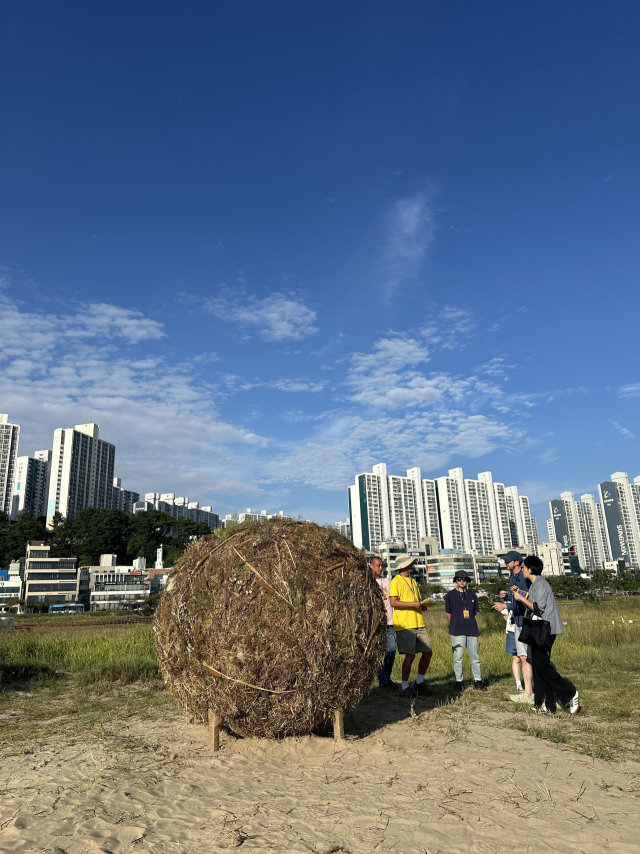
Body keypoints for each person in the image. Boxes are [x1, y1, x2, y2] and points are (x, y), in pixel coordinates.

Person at [511, 555, 579, 714]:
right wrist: (520, 593)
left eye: (524, 567)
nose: (522, 570)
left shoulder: (541, 584)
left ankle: (569, 693)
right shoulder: (535, 585)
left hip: (546, 629)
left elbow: (538, 608)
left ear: (530, 569)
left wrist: (520, 597)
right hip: (538, 629)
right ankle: (546, 704)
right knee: (537, 666)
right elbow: (532, 600)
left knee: (542, 665)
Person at [389, 554, 433, 698]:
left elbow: (415, 601)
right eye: (410, 563)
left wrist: (422, 606)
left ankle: (419, 682)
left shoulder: (413, 581)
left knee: (428, 652)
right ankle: (405, 686)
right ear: (403, 566)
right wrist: (413, 605)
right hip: (405, 624)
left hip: (418, 622)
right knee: (410, 655)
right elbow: (393, 602)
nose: (412, 565)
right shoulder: (396, 581)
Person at [445, 570, 486, 691]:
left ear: (467, 581)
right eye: (459, 579)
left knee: (475, 656)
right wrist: (454, 623)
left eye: (464, 579)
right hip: (457, 630)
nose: (462, 582)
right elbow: (448, 612)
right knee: (458, 657)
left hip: (472, 629)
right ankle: (459, 681)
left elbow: (474, 613)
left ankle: (477, 680)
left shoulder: (472, 595)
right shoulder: (450, 595)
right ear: (455, 581)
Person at [502, 550, 534, 704]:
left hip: (528, 620)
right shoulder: (512, 577)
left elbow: (528, 596)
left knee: (534, 657)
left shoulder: (525, 576)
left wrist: (511, 599)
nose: (505, 564)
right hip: (517, 621)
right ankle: (528, 692)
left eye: (508, 561)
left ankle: (540, 684)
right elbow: (515, 597)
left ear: (516, 562)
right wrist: (506, 596)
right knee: (522, 657)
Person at [369, 555, 398, 691]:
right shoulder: (368, 582)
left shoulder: (386, 581)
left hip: (389, 622)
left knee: (391, 650)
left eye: (382, 566)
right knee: (380, 653)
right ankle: (382, 681)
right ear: (371, 566)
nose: (380, 568)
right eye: (378, 565)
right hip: (376, 624)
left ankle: (387, 677)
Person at [492, 590, 524, 693]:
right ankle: (518, 683)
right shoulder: (510, 600)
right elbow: (505, 615)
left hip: (524, 629)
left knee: (527, 659)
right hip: (512, 631)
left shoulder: (524, 597)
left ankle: (530, 682)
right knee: (516, 658)